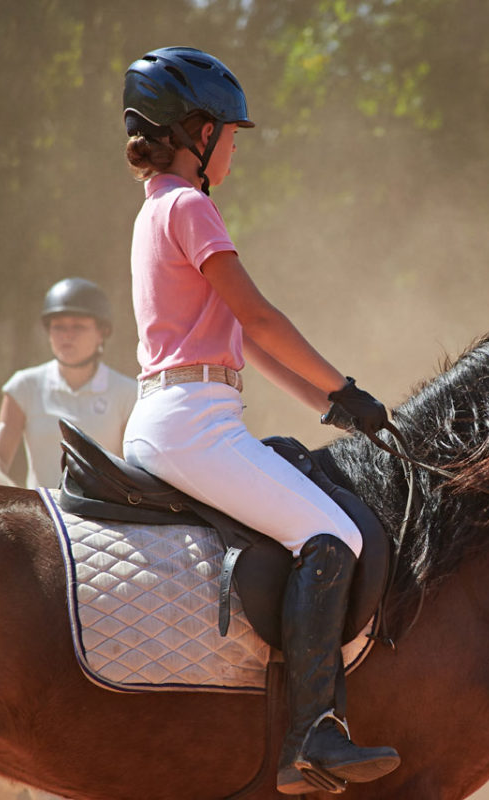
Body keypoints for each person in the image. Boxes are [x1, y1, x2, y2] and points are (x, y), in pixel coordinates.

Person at [119, 47, 400, 794]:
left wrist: (332, 405)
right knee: (332, 533)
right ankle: (310, 736)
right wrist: (346, 384)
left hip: (172, 411)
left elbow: (242, 341)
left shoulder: (155, 211)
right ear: (198, 132)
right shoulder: (190, 205)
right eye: (232, 133)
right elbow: (261, 316)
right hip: (192, 421)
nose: (237, 146)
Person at [0, 278, 138, 489]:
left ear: (102, 333)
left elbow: (130, 470)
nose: (67, 336)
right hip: (39, 513)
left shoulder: (128, 393)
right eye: (58, 327)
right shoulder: (23, 387)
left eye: (78, 326)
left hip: (102, 517)